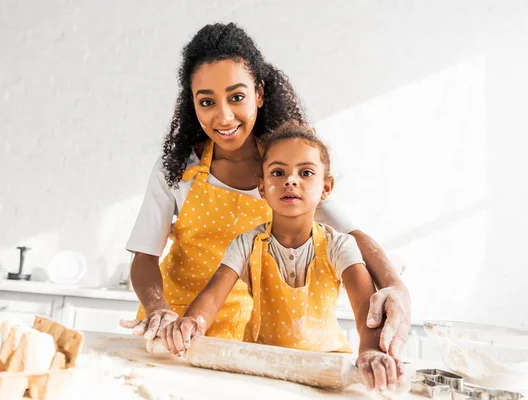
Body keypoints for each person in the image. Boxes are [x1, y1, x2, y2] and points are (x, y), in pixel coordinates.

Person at [121, 22, 410, 358]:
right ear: (192, 104)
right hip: (174, 326)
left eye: (237, 97)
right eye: (207, 102)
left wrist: (396, 287)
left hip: (245, 335)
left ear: (258, 93)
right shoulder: (176, 168)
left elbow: (353, 237)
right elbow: (144, 257)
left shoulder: (282, 169)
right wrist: (158, 308)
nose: (224, 116)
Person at [160, 121, 403, 390]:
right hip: (260, 370)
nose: (290, 180)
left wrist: (370, 350)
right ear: (262, 188)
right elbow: (213, 295)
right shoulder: (246, 243)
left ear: (326, 187)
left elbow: (363, 307)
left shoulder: (340, 246)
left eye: (306, 173)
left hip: (326, 369)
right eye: (278, 172)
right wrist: (192, 323)